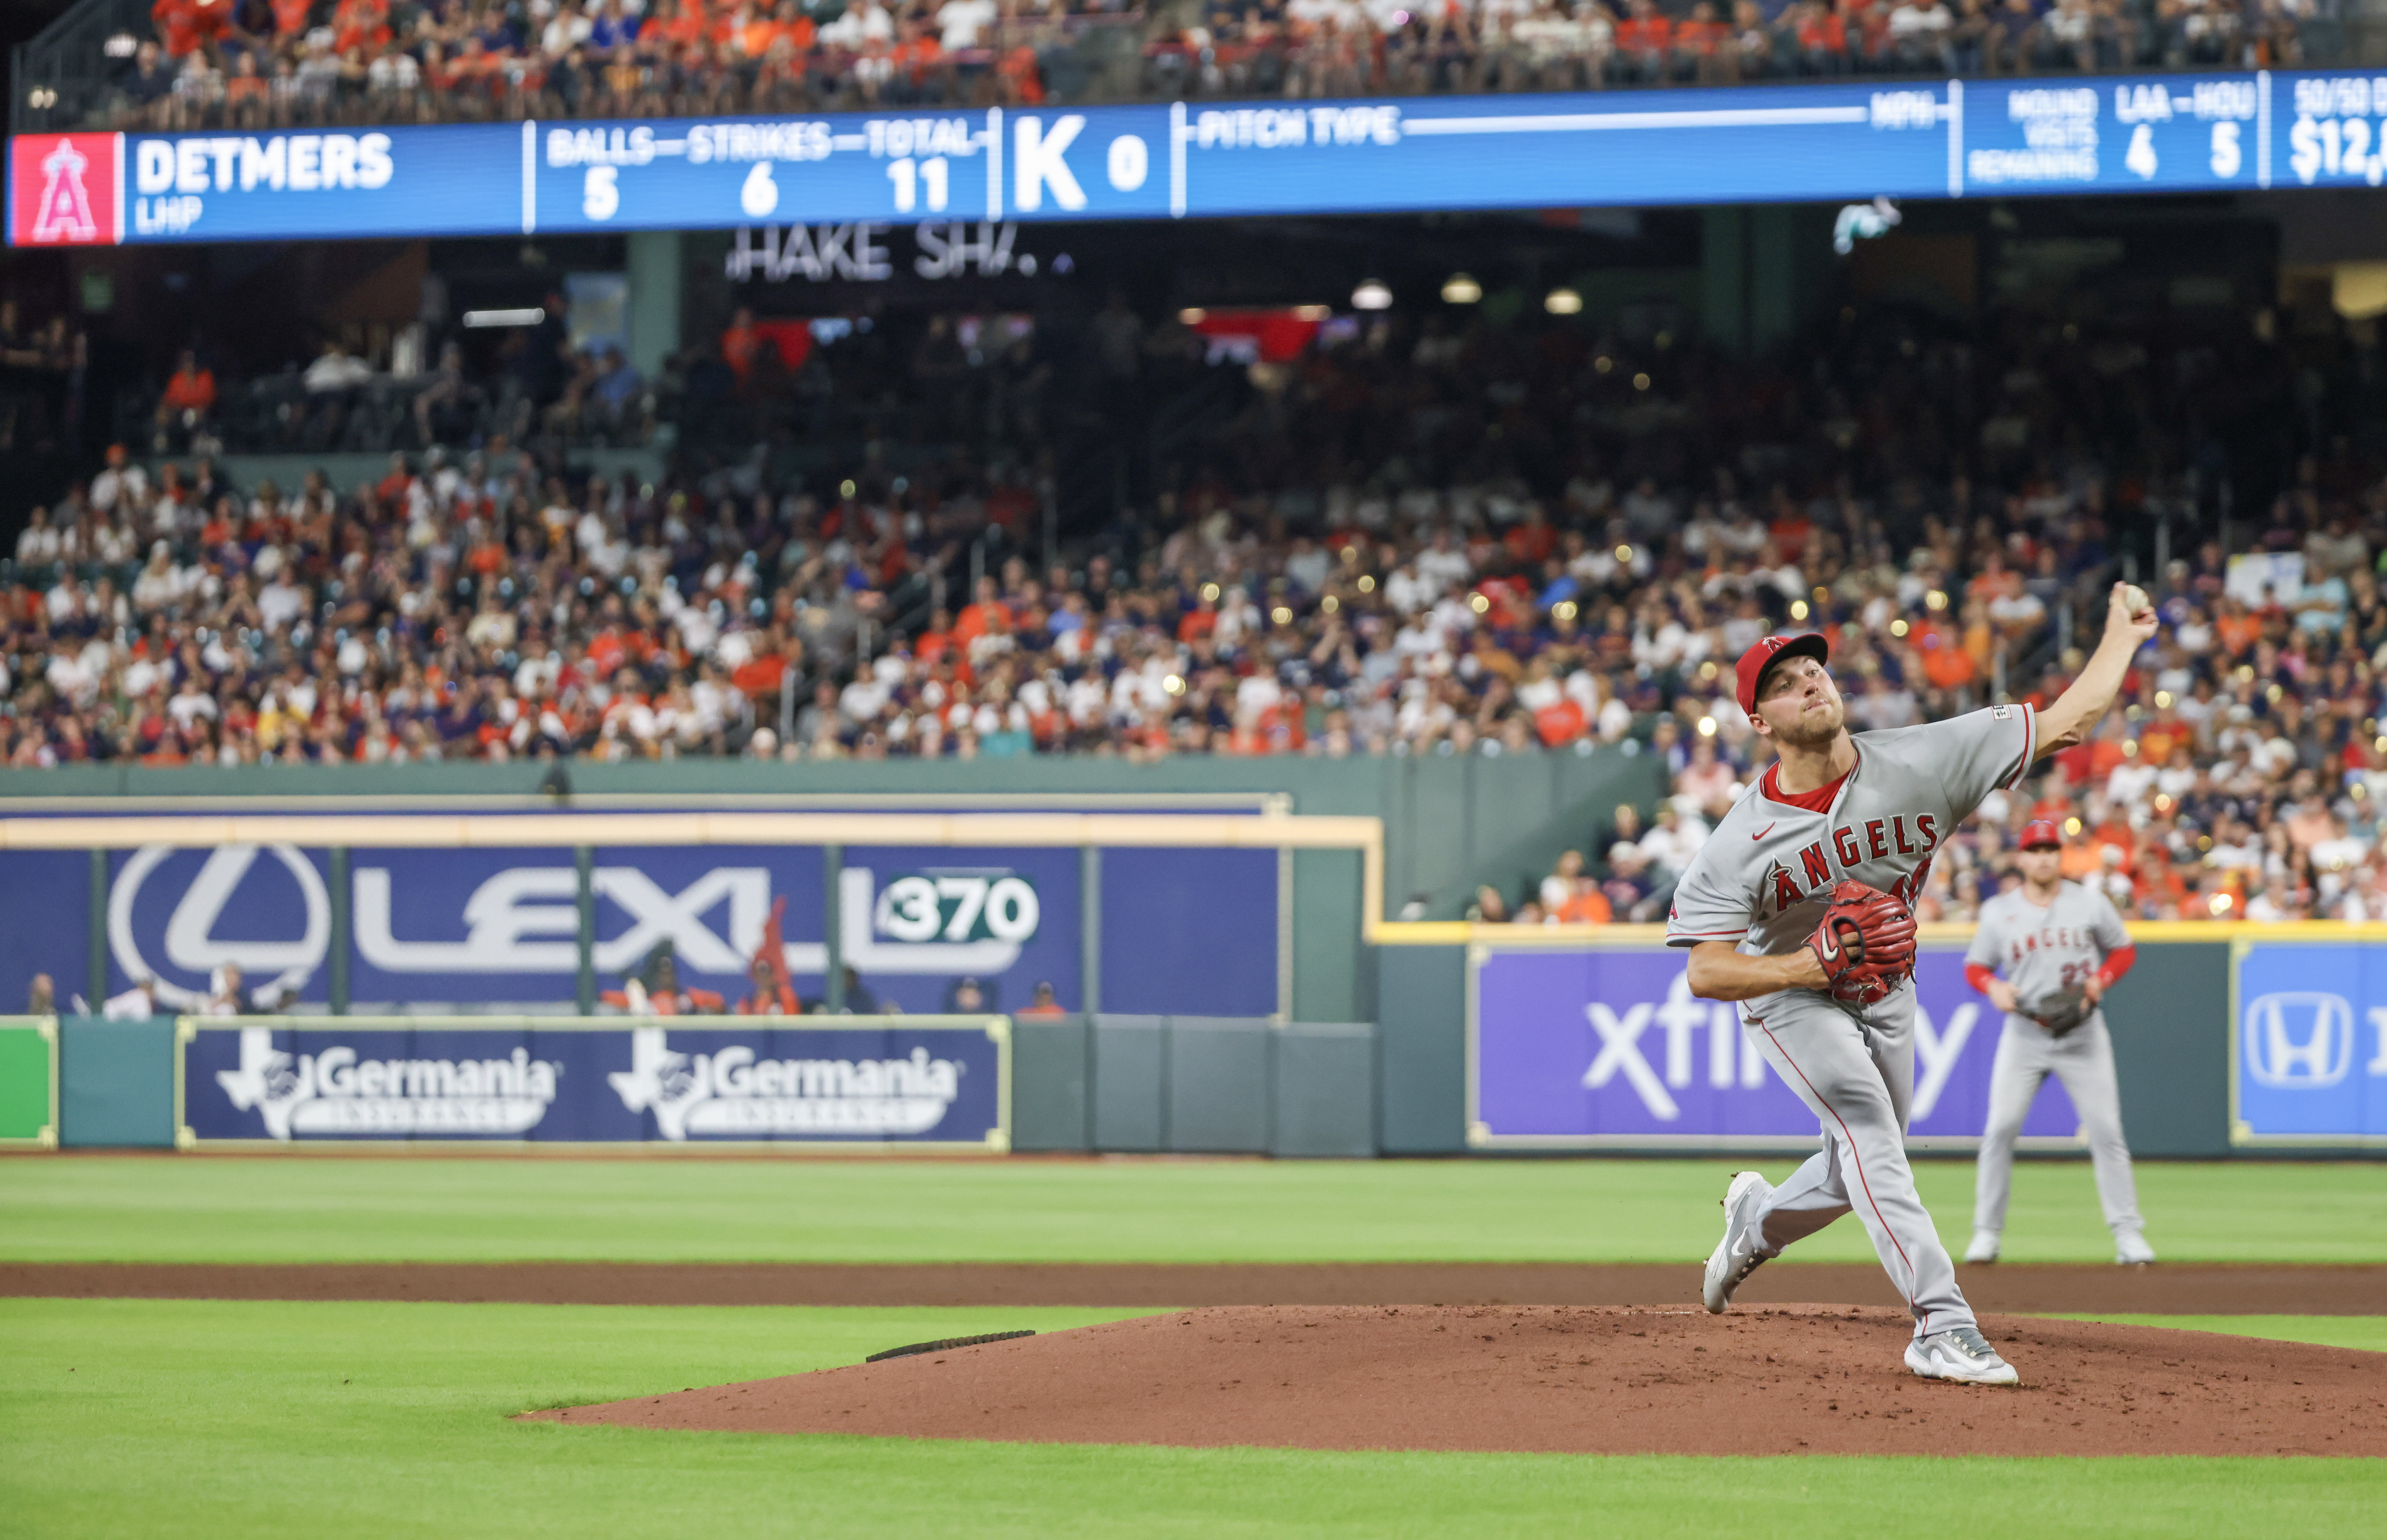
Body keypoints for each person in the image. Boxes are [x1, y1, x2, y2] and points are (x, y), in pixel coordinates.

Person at [1667, 582, 2156, 1387]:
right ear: (1760, 723)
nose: (1808, 684)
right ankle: (1940, 1323)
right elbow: (1705, 969)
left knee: (1863, 1158)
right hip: (1788, 993)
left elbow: (2068, 721)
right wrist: (1803, 967)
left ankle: (1757, 1217)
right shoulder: (1739, 842)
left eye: (1812, 671)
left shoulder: (1923, 759)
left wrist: (2120, 637)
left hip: (1884, 986)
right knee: (1868, 1129)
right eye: (1783, 684)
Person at [1961, 819, 2151, 1266]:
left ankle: (2128, 1236)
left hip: (2082, 1032)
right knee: (2001, 1129)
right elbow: (1975, 967)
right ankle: (1986, 1234)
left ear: (2059, 855)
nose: (2043, 856)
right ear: (2022, 857)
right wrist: (1994, 987)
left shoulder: (2088, 902)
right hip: (2026, 1033)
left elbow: (2123, 949)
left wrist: (2100, 979)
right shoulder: (1999, 910)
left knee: (2107, 1131)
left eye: (2050, 848)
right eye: (2035, 848)